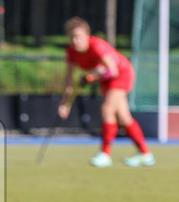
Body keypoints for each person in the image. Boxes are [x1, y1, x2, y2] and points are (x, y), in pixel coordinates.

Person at [58, 17, 154, 168]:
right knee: (123, 118)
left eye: (78, 37)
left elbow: (113, 70)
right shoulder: (70, 51)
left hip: (121, 74)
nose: (75, 41)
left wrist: (91, 78)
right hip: (105, 79)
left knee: (107, 109)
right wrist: (64, 104)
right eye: (72, 37)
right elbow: (68, 80)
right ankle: (145, 154)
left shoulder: (96, 46)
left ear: (87, 36)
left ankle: (105, 154)